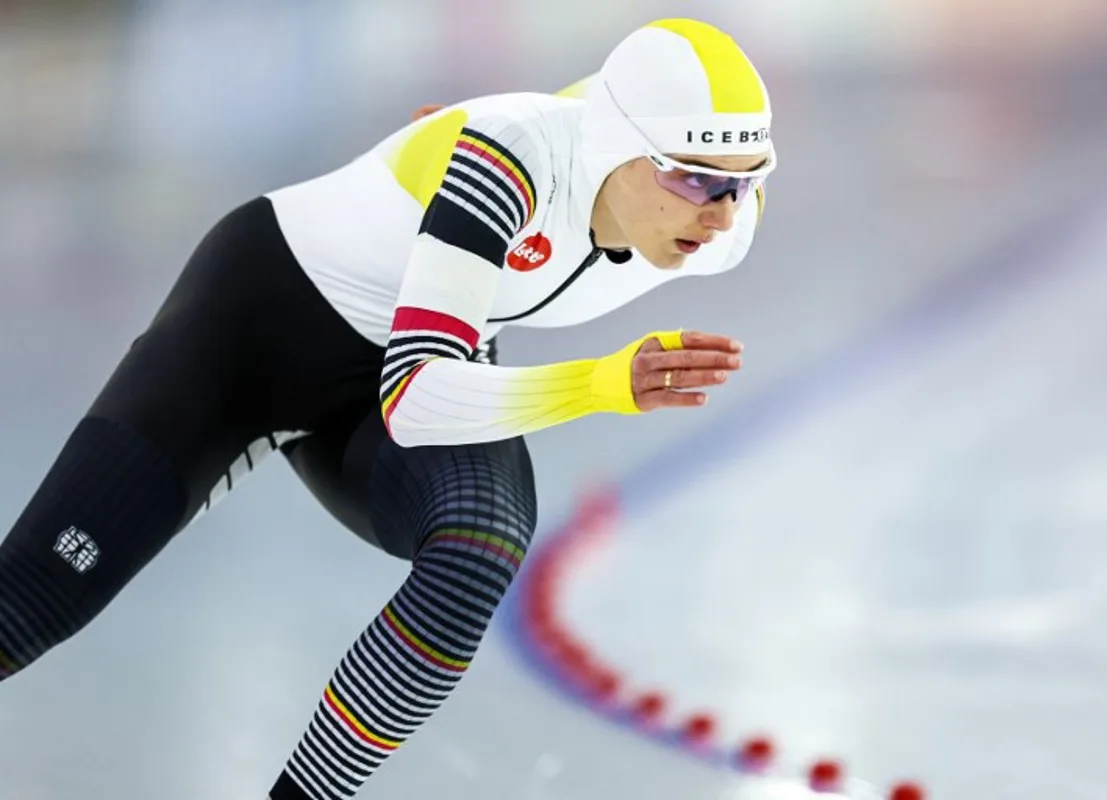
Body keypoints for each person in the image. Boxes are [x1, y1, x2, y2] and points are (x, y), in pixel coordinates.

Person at [0, 17, 775, 800]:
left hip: (419, 360)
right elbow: (415, 398)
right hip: (255, 330)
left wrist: (709, 181)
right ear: (617, 147)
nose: (720, 213)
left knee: (479, 545)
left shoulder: (726, 220)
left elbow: (613, 116)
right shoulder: (508, 162)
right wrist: (603, 383)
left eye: (744, 180)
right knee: (31, 600)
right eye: (692, 178)